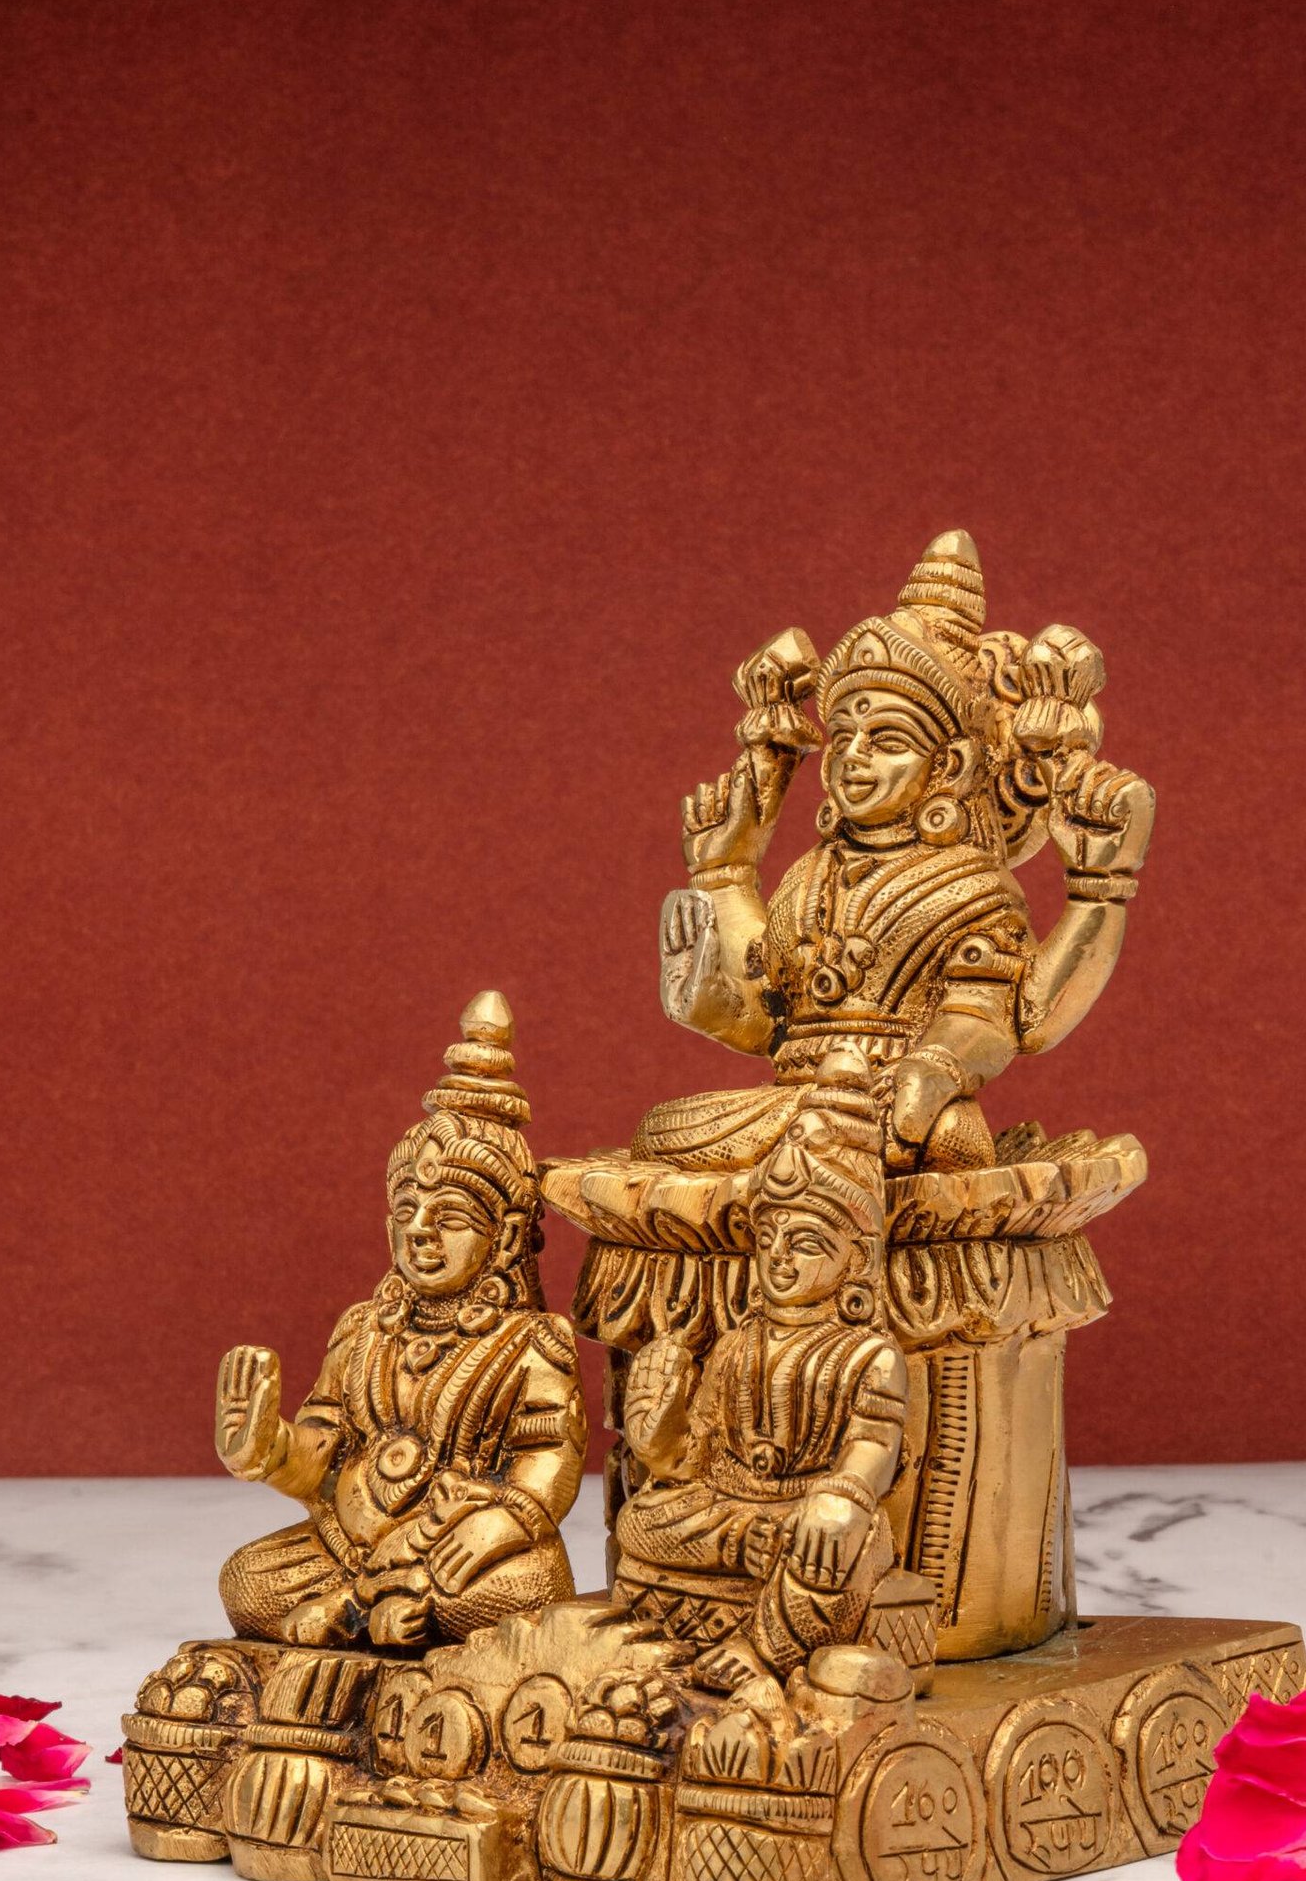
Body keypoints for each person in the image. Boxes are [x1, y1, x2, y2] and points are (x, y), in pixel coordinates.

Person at [646, 529, 1155, 1174]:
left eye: (887, 741)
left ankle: (848, 1146)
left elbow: (1000, 1016)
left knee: (938, 1131)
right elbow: (769, 1019)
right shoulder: (807, 878)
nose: (855, 757)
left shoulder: (969, 888)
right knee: (662, 1131)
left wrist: (934, 1070)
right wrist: (722, 887)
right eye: (844, 738)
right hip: (802, 1103)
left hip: (898, 1101)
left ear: (948, 765)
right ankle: (830, 1144)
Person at [212, 993, 584, 1649]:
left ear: (505, 1237)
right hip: (350, 1543)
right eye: (408, 1210)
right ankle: (373, 1606)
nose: (420, 1231)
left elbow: (550, 1457)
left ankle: (366, 1608)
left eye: (450, 1216)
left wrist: (501, 1524)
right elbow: (326, 1453)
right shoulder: (364, 1329)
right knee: (247, 1581)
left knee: (526, 1592)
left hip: (462, 1549)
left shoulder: (532, 1342)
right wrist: (269, 1450)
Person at [615, 1049, 907, 1688]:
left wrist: (842, 1496)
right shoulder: (736, 1345)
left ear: (856, 1258)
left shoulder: (869, 1356)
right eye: (768, 1240)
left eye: (804, 1243)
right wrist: (659, 1436)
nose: (779, 1259)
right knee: (641, 1520)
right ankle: (717, 1580)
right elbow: (698, 1455)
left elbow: (875, 1447)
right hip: (729, 1511)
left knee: (841, 1545)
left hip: (813, 1515)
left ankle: (766, 1652)